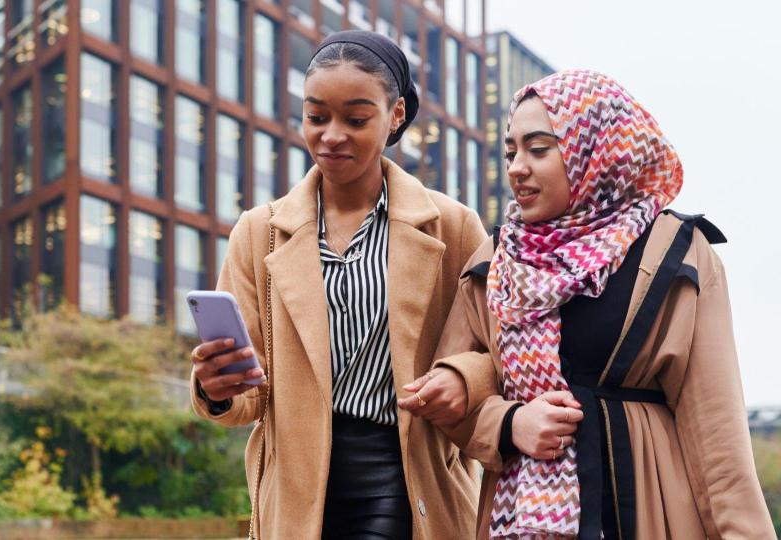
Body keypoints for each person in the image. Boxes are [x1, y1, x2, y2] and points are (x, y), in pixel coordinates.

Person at [429, 69, 775, 539]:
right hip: (518, 521)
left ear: (595, 151)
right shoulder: (495, 263)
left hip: (647, 510)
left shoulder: (675, 253)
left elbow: (716, 435)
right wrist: (510, 422)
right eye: (511, 151)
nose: (515, 167)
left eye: (538, 148)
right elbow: (452, 398)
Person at [189, 30, 493, 539]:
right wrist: (218, 389)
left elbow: (498, 352)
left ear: (396, 115)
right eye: (315, 116)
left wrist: (462, 379)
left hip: (408, 477)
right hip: (297, 487)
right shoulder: (258, 233)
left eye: (355, 119)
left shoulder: (453, 226)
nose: (331, 135)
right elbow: (248, 398)